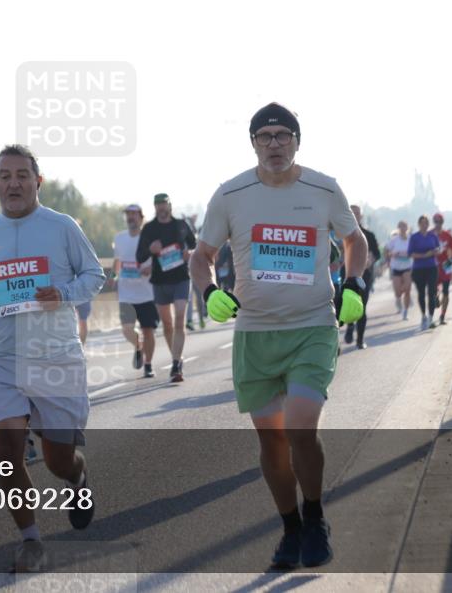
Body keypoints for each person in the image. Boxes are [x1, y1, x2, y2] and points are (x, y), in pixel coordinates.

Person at [190, 102, 368, 570]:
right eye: (264, 136)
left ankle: (315, 515)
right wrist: (209, 290)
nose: (274, 144)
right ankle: (290, 528)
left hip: (311, 325)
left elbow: (355, 241)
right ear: (252, 143)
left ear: (297, 141)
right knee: (272, 442)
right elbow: (201, 253)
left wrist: (353, 282)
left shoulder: (324, 188)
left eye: (282, 135)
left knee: (300, 427)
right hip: (255, 332)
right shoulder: (230, 195)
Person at [0, 144, 104, 574]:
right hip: (5, 357)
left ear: (38, 181)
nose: (14, 182)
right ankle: (31, 541)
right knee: (7, 451)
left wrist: (63, 294)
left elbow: (95, 275)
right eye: (5, 176)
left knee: (57, 459)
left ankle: (77, 477)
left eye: (22, 175)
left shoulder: (62, 226)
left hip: (56, 355)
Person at [136, 193, 196, 382]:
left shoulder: (180, 225)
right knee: (167, 324)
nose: (161, 208)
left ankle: (176, 364)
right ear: (155, 208)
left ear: (170, 206)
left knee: (179, 319)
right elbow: (139, 255)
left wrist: (190, 253)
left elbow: (195, 246)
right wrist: (150, 250)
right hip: (160, 281)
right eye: (158, 205)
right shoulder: (149, 228)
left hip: (181, 278)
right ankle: (176, 357)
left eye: (164, 204)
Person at [112, 204, 159, 377]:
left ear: (141, 217)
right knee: (126, 329)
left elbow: (160, 258)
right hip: (126, 293)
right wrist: (112, 277)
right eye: (128, 214)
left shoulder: (149, 238)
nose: (130, 217)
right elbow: (117, 261)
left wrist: (152, 268)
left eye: (133, 214)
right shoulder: (119, 238)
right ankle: (138, 346)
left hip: (147, 293)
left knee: (148, 331)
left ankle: (148, 364)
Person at [342, 206, 380, 350]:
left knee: (362, 306)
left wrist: (371, 259)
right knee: (345, 303)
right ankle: (350, 325)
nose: (354, 215)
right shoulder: (342, 233)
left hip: (365, 275)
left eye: (356, 213)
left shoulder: (368, 235)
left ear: (361, 216)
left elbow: (377, 253)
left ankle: (360, 340)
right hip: (345, 274)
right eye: (351, 212)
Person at [407, 215, 440, 331]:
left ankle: (431, 317)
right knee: (421, 293)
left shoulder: (432, 236)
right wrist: (424, 255)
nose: (424, 225)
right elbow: (410, 253)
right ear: (419, 224)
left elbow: (438, 248)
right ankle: (423, 316)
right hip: (419, 268)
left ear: (428, 224)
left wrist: (435, 252)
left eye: (426, 223)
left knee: (432, 293)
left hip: (432, 267)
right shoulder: (414, 237)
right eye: (422, 223)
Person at [431, 213, 452, 326]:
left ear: (442, 222)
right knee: (433, 290)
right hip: (433, 264)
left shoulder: (448, 235)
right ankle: (436, 298)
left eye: (439, 222)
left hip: (446, 264)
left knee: (446, 291)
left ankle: (442, 316)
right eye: (436, 222)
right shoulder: (429, 235)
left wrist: (451, 254)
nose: (438, 224)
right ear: (433, 222)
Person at [386, 221, 413, 320]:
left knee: (407, 289)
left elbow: (414, 250)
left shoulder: (411, 239)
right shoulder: (394, 240)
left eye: (404, 226)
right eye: (401, 227)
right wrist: (391, 255)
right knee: (398, 291)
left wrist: (410, 254)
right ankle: (398, 299)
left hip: (407, 267)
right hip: (396, 267)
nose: (403, 228)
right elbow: (387, 250)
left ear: (407, 228)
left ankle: (405, 311)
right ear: (398, 228)